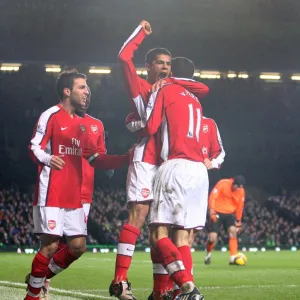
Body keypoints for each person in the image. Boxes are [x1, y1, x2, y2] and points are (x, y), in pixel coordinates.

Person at [110, 21, 209, 300]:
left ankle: (160, 291)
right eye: (159, 63)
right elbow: (123, 58)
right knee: (139, 217)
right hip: (146, 159)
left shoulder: (173, 89)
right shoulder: (140, 85)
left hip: (168, 164)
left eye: (168, 64)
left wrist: (135, 122)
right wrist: (141, 33)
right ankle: (120, 281)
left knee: (161, 227)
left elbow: (201, 90)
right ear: (148, 67)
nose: (164, 68)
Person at [25, 70, 128, 300]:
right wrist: (48, 159)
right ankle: (32, 295)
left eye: (87, 87)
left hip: (75, 196)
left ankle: (42, 279)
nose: (87, 91)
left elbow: (94, 158)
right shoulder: (51, 115)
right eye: (82, 87)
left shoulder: (81, 126)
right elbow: (34, 147)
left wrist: (125, 159)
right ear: (67, 90)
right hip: (52, 190)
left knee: (78, 246)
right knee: (51, 246)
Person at [142, 57, 207, 300]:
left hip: (175, 166)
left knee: (159, 235)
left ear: (171, 73)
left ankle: (188, 288)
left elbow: (150, 127)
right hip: (198, 171)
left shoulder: (166, 90)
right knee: (182, 238)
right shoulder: (196, 100)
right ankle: (176, 294)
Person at [204, 175, 246, 265]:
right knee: (212, 238)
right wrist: (211, 210)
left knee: (233, 232)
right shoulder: (223, 183)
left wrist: (238, 220)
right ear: (233, 183)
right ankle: (208, 254)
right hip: (217, 212)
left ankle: (232, 258)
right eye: (237, 186)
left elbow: (240, 206)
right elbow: (213, 197)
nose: (238, 189)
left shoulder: (241, 191)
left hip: (230, 214)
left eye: (240, 187)